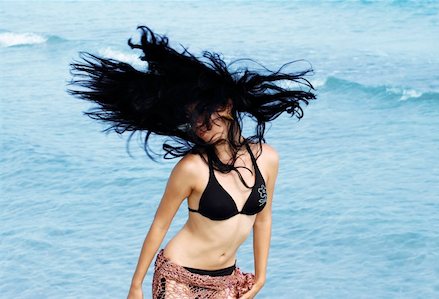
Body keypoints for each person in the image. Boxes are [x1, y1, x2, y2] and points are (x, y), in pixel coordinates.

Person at [67, 26, 317, 298]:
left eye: (202, 113)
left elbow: (263, 220)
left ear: (227, 106)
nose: (198, 124)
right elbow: (160, 224)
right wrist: (136, 285)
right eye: (192, 118)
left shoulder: (267, 158)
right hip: (179, 278)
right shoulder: (192, 168)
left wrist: (261, 276)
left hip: (227, 281)